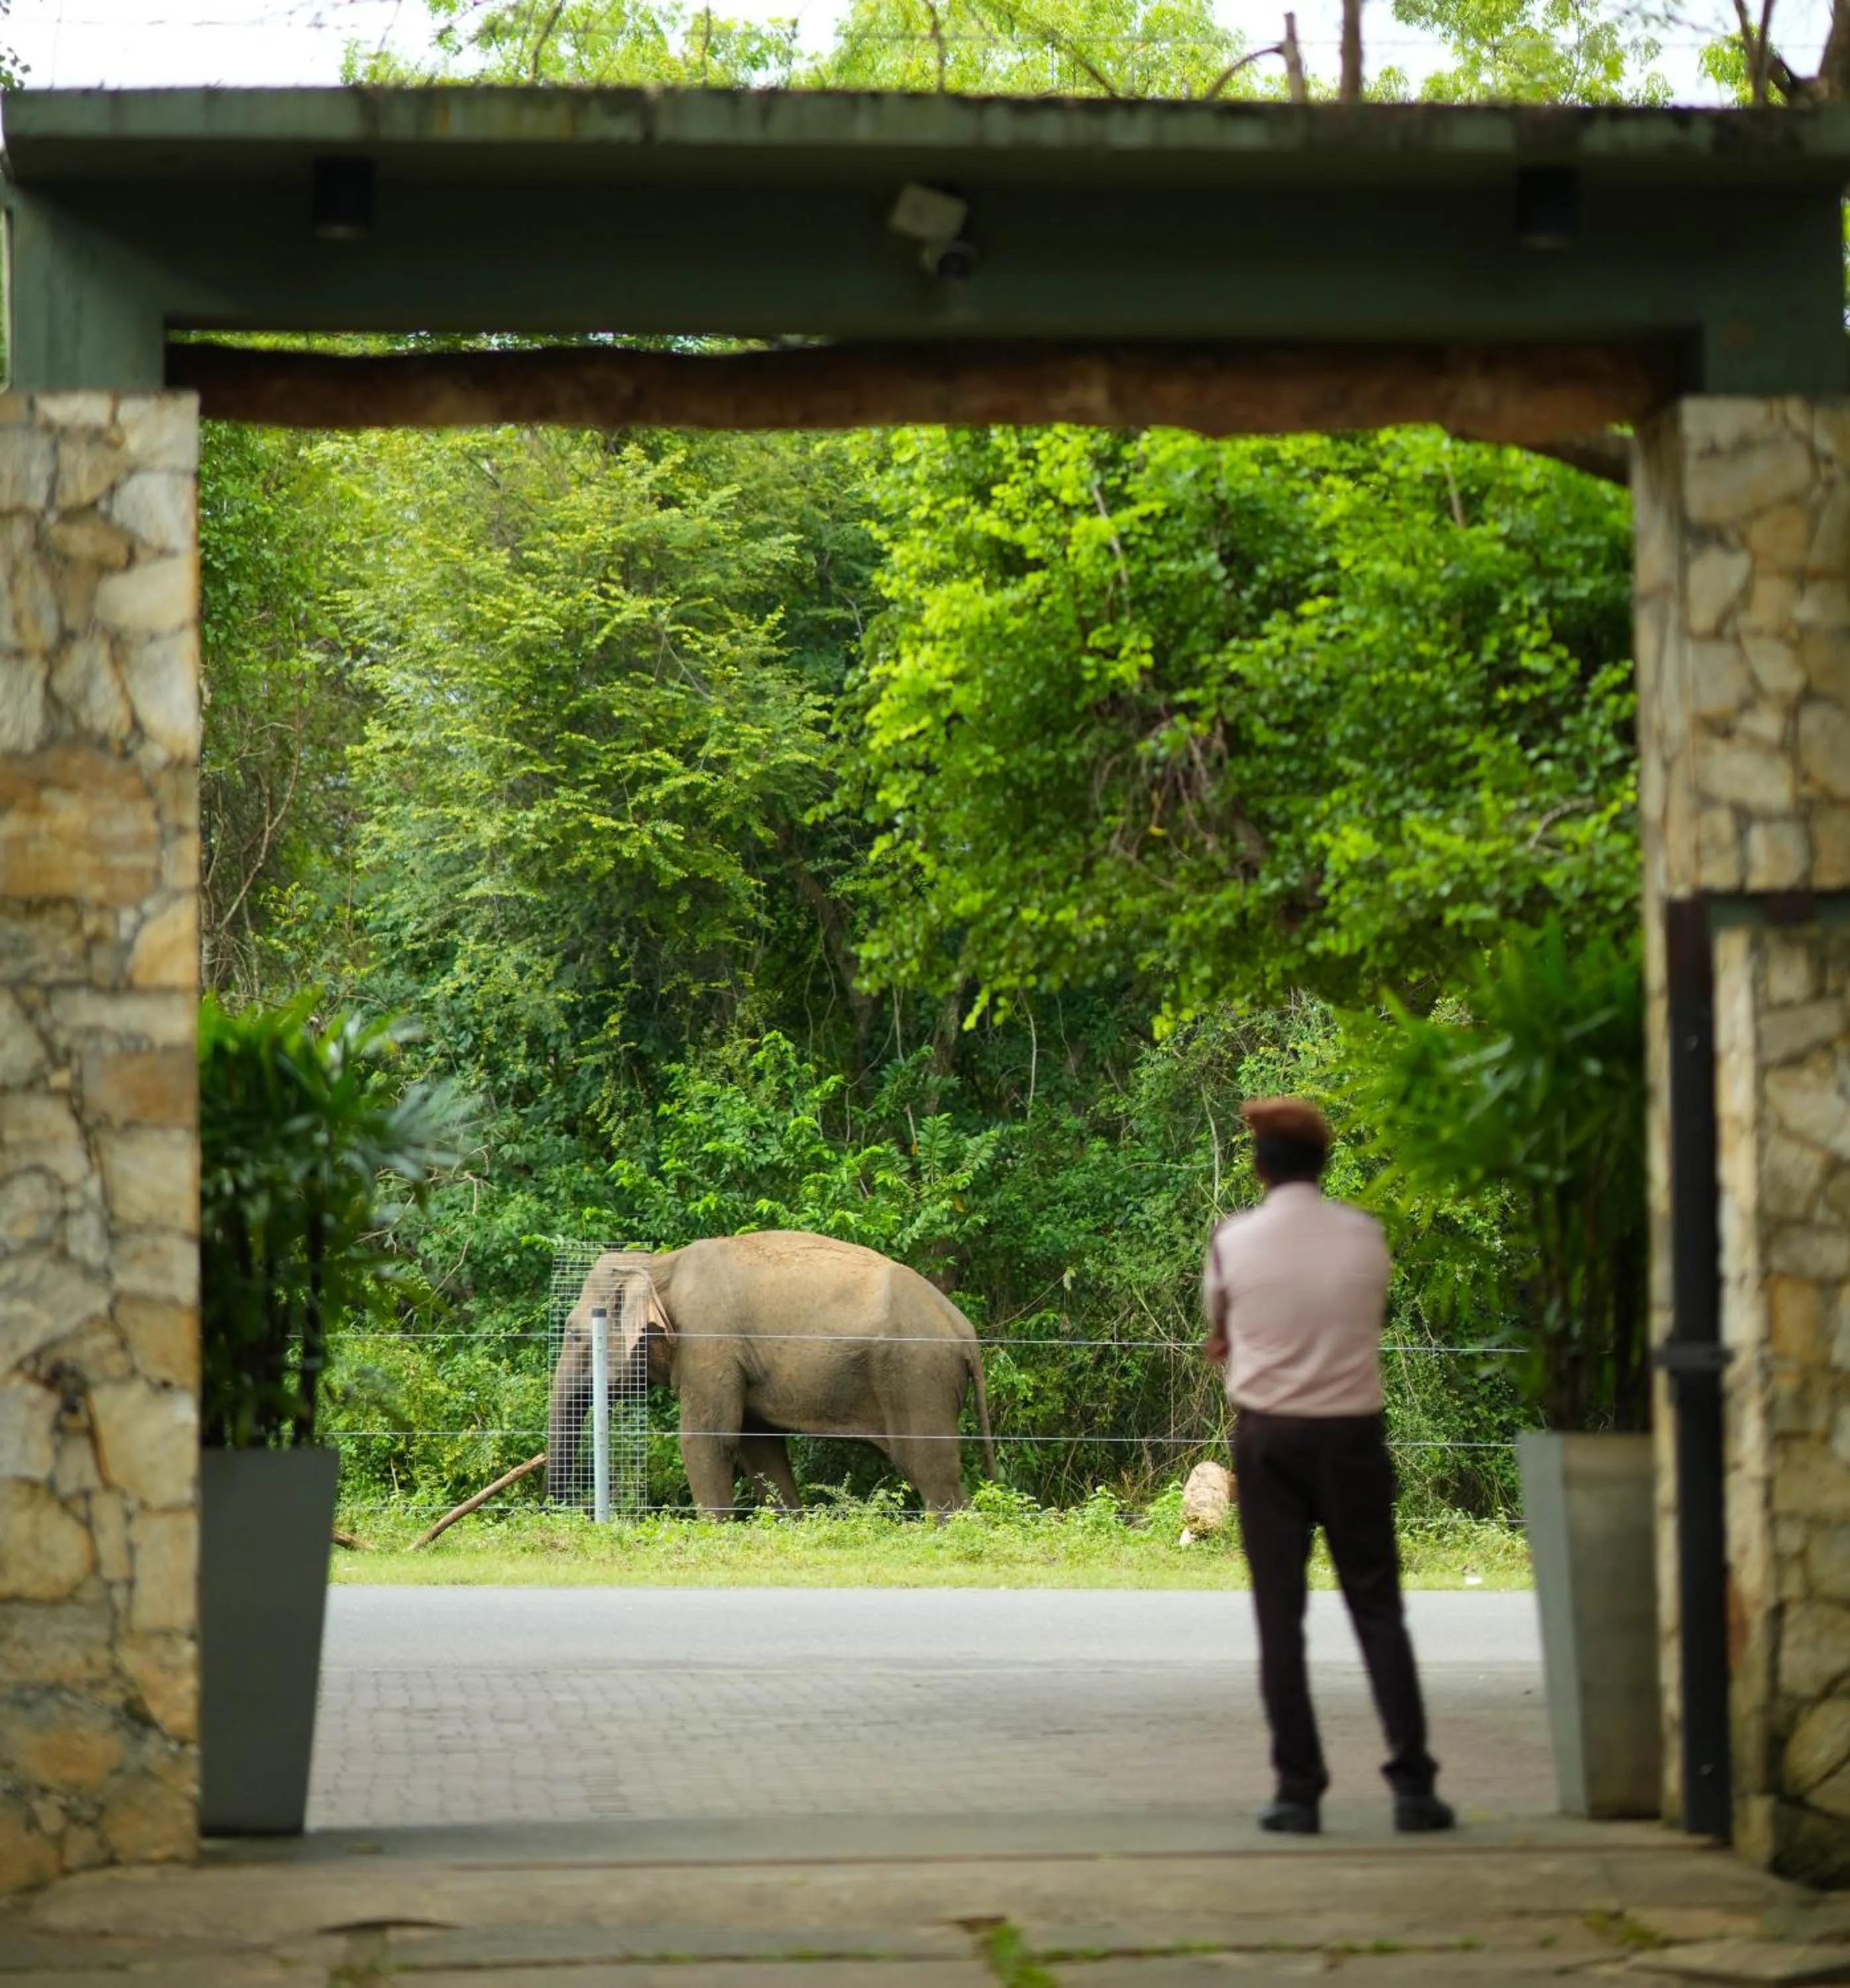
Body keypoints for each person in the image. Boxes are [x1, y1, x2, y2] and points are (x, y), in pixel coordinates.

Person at [1201, 1095, 1454, 1838]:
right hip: (1350, 1438)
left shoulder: (1231, 1241)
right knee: (1377, 1607)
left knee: (1279, 1616)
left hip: (1268, 1440)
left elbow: (1222, 1332)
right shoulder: (1365, 1237)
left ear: (1258, 1169)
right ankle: (1413, 1787)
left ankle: (1297, 1791)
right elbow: (1364, 1321)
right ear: (1323, 1162)